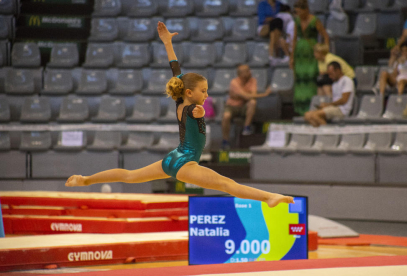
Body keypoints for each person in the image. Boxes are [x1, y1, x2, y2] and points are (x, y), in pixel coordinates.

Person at [65, 22, 294, 208]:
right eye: (203, 91)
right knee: (226, 184)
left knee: (130, 175)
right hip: (185, 162)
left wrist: (167, 43)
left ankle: (86, 179)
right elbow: (196, 111)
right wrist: (202, 113)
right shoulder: (192, 108)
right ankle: (269, 197)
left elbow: (176, 69)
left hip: (173, 157)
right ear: (189, 92)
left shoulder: (180, 99)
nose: (206, 94)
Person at [290, 0, 329, 116]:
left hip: (312, 52)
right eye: (296, 12)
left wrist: (325, 51)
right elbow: (294, 38)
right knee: (300, 78)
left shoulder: (314, 20)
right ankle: (301, 109)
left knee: (311, 76)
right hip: (300, 53)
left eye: (299, 12)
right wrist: (292, 57)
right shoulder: (297, 20)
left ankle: (311, 106)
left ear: (306, 10)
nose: (298, 14)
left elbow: (325, 36)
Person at [221, 64, 271, 149]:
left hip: (244, 106)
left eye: (249, 70)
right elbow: (247, 96)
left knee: (252, 102)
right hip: (232, 106)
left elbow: (252, 96)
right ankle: (225, 140)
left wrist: (239, 96)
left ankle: (246, 128)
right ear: (240, 74)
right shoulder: (234, 82)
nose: (250, 72)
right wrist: (265, 94)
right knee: (226, 116)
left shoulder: (253, 80)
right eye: (247, 71)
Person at [304, 61, 354, 127]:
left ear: (338, 70)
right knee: (307, 115)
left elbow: (344, 100)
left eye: (331, 74)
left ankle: (328, 133)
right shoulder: (335, 83)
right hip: (334, 108)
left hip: (342, 110)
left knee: (314, 115)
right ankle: (320, 134)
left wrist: (328, 105)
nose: (330, 76)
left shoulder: (347, 81)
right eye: (329, 74)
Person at [257, 0, 284, 64]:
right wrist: (274, 19)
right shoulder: (262, 4)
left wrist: (272, 19)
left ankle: (272, 56)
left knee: (275, 32)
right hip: (264, 27)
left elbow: (282, 17)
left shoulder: (279, 4)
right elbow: (262, 19)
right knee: (275, 30)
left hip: (276, 27)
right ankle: (276, 56)